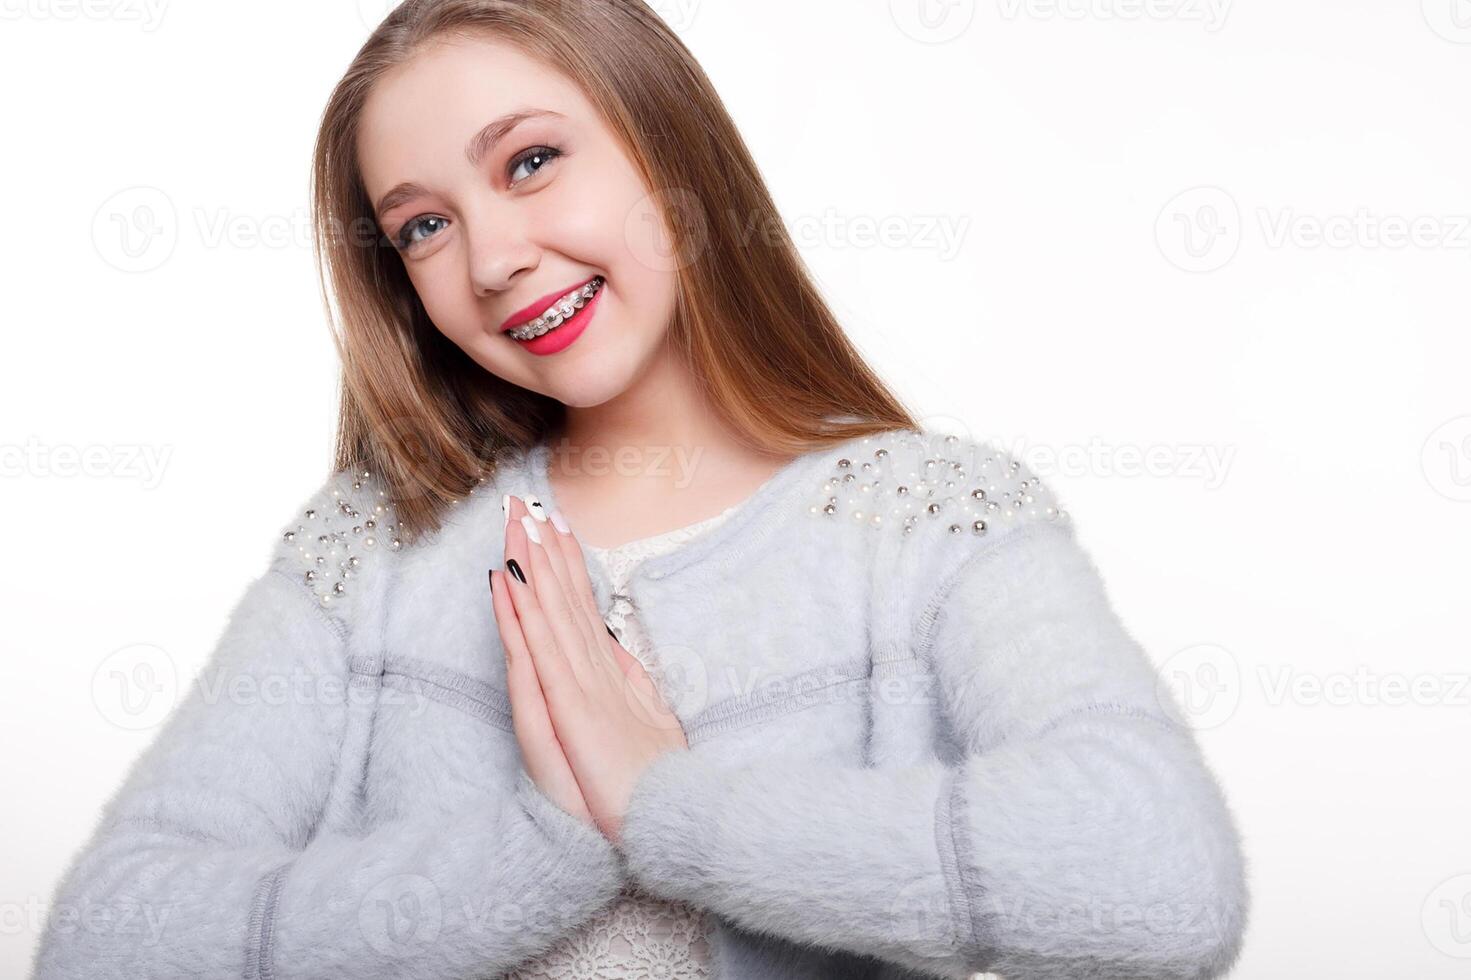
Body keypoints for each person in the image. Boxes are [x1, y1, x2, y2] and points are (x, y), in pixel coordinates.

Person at [32, 2, 1250, 978]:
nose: (494, 259)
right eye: (421, 228)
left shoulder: (924, 519)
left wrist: (671, 803)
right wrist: (546, 842)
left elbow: (1161, 873)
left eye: (532, 160)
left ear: (668, 147)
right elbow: (109, 935)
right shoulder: (374, 544)